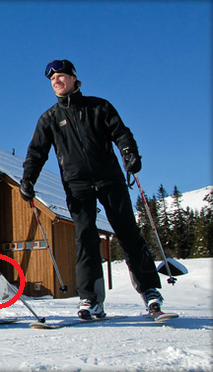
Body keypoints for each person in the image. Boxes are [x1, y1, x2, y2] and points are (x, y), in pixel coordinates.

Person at [20, 60, 163, 319]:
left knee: (128, 233)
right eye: (52, 79)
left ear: (74, 79)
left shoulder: (99, 107)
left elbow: (121, 133)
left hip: (110, 180)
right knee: (85, 238)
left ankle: (150, 291)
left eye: (61, 76)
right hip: (77, 186)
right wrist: (28, 179)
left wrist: (129, 153)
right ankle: (91, 299)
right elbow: (36, 152)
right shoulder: (49, 118)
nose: (56, 81)